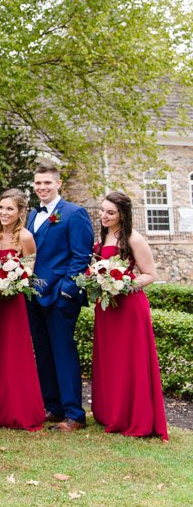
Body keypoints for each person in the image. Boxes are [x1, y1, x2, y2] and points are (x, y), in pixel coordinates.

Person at [90, 192, 168, 440]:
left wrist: (123, 283)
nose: (104, 216)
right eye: (102, 210)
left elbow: (150, 274)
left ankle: (134, 416)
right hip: (107, 309)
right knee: (111, 359)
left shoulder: (134, 238)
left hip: (129, 309)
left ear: (122, 214)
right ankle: (112, 412)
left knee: (129, 360)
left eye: (110, 212)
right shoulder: (103, 236)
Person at [26, 164, 94, 432]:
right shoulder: (33, 214)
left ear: (58, 183)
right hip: (34, 293)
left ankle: (74, 414)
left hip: (61, 296)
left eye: (47, 183)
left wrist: (66, 290)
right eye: (38, 183)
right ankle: (52, 406)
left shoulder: (74, 213)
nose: (42, 187)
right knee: (42, 351)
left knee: (63, 352)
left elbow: (81, 255)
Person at [0, 189, 45, 431]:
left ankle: (18, 408)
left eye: (10, 209)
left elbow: (29, 272)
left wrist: (13, 280)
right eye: (1, 208)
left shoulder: (26, 237)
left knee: (14, 353)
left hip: (13, 303)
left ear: (20, 212)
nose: (4, 213)